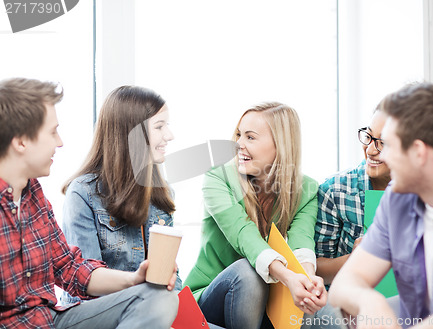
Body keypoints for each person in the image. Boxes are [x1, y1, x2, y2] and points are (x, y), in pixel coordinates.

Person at [0, 77, 178, 329]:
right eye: (52, 132)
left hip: (52, 320)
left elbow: (71, 269)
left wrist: (134, 279)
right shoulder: (83, 192)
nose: (59, 142)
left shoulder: (34, 197)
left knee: (157, 296)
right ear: (21, 142)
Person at [329, 82, 433, 329]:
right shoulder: (396, 201)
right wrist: (370, 302)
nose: (380, 156)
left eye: (388, 145)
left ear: (418, 152)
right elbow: (345, 285)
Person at [184, 102, 327, 329]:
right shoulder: (218, 178)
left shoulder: (306, 189)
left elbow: (302, 242)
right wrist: (289, 277)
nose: (238, 144)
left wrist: (308, 281)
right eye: (239, 135)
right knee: (247, 272)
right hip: (210, 297)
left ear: (280, 145)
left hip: (266, 303)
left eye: (250, 137)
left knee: (317, 305)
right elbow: (244, 235)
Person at [60, 85, 182, 305]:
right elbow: (86, 285)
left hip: (152, 309)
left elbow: (172, 278)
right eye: (159, 127)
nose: (170, 136)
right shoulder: (83, 193)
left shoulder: (162, 193)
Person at [315, 105, 390, 285]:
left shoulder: (431, 195)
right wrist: (353, 260)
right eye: (369, 137)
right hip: (348, 298)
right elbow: (314, 269)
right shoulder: (335, 190)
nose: (371, 150)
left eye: (384, 142)